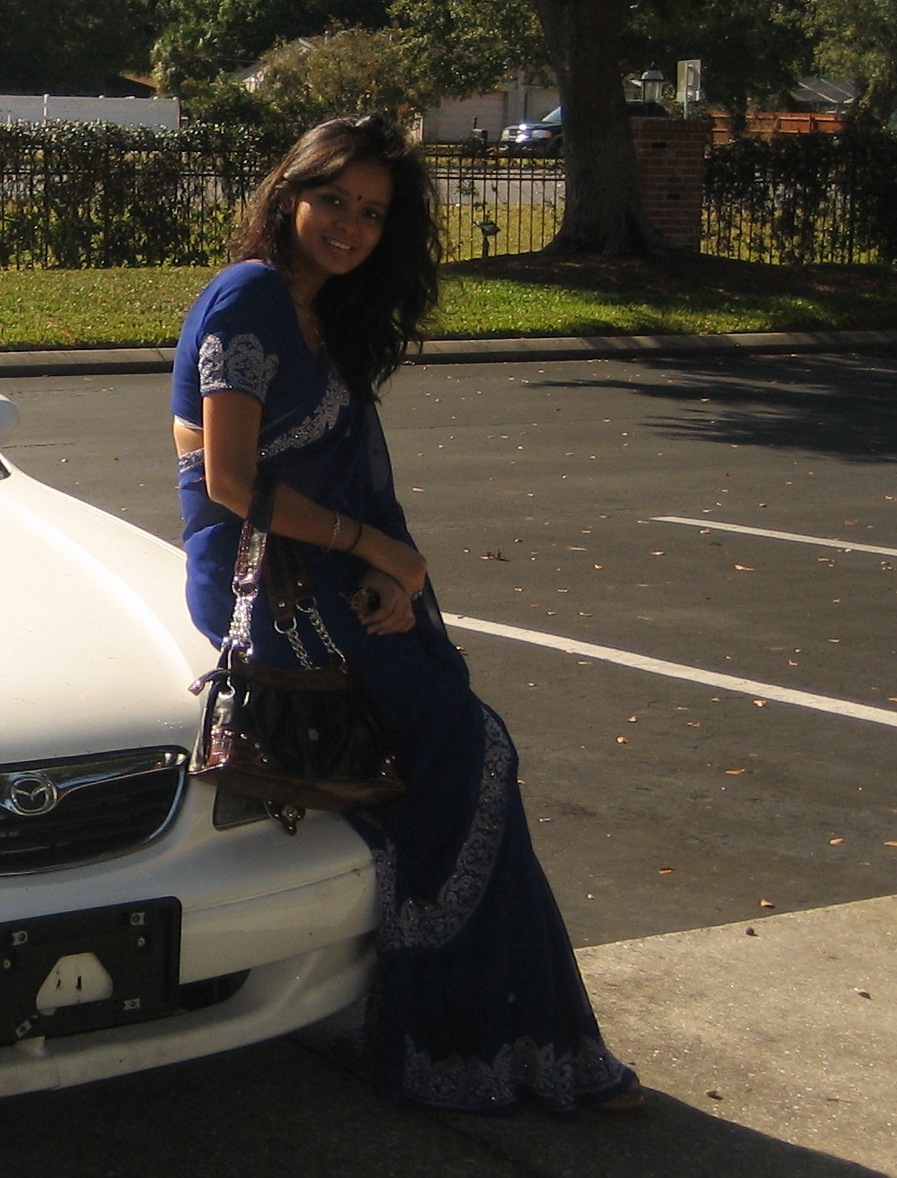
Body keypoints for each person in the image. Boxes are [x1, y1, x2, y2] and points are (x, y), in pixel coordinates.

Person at [171, 113, 644, 1114]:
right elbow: (230, 481)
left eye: (373, 212)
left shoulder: (323, 310)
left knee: (464, 759)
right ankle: (467, 1041)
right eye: (333, 200)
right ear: (289, 195)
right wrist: (373, 548)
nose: (349, 225)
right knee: (461, 755)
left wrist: (391, 569)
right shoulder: (250, 296)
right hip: (266, 579)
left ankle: (495, 1035)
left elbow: (347, 482)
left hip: (326, 564)